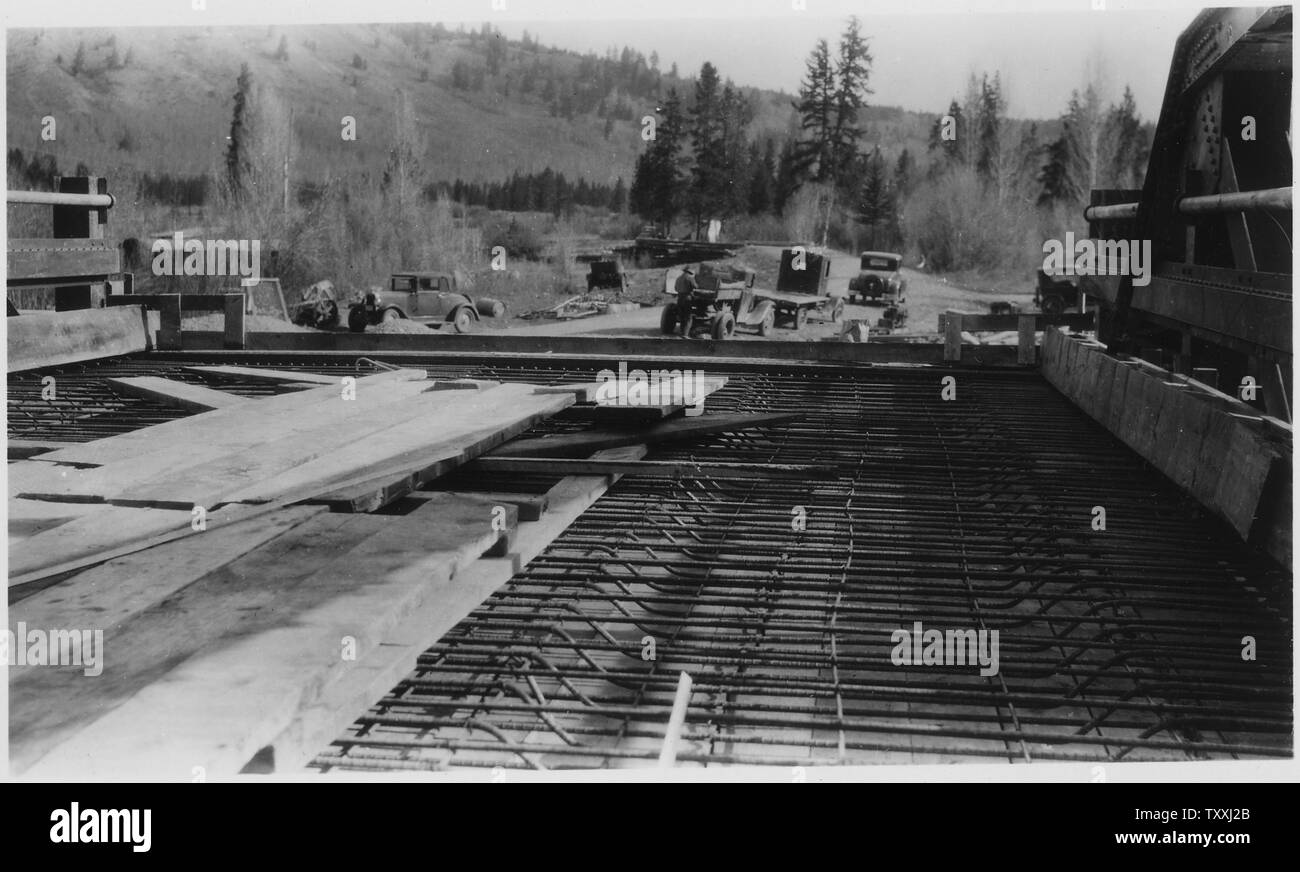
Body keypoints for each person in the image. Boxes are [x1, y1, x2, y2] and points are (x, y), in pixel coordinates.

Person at [674, 266, 697, 336]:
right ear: (689, 272)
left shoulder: (678, 278)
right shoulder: (690, 278)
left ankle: (681, 332)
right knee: (688, 318)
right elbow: (695, 286)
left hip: (679, 299)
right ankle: (685, 335)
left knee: (682, 317)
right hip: (687, 299)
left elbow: (675, 288)